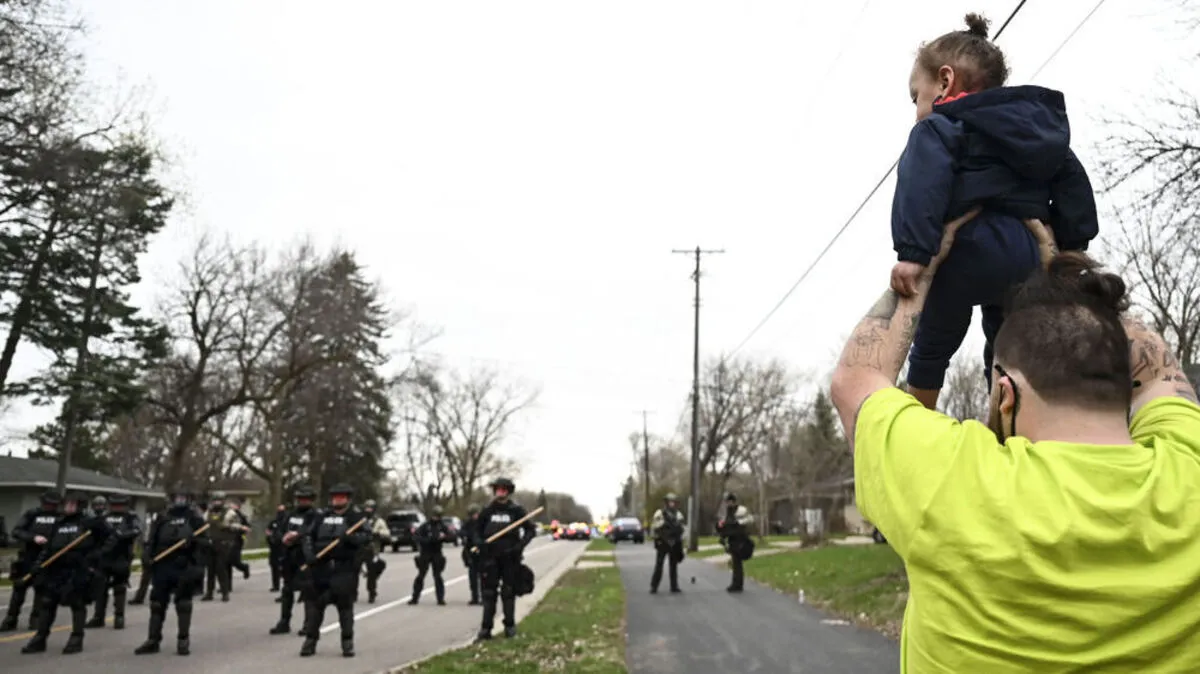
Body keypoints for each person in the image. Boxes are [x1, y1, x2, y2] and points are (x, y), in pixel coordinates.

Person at [830, 234, 1200, 670]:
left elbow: (855, 380)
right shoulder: (1188, 467)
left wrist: (922, 264)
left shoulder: (953, 481)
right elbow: (1157, 370)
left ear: (1006, 393)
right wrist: (1070, 278)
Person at [889, 12, 1099, 412]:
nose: (917, 108)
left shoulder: (939, 127)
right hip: (1027, 254)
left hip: (964, 250)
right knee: (1009, 345)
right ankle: (1007, 421)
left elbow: (922, 184)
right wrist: (1072, 246)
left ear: (945, 83)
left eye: (917, 95)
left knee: (934, 339)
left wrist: (913, 253)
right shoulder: (1036, 131)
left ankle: (918, 413)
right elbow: (1071, 179)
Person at [20, 491, 113, 655]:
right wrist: (38, 565)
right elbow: (48, 548)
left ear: (80, 505)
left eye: (72, 504)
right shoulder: (58, 523)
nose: (68, 507)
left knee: (77, 603)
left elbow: (111, 538)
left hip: (78, 568)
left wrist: (95, 555)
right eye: (67, 503)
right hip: (56, 568)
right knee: (47, 602)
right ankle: (40, 638)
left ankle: (76, 637)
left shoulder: (90, 523)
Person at [135, 486, 209, 657]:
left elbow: (206, 544)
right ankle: (153, 640)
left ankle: (183, 640)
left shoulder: (195, 518)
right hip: (163, 566)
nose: (179, 500)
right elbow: (151, 540)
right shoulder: (162, 517)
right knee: (157, 604)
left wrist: (193, 542)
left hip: (184, 566)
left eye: (183, 497)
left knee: (183, 604)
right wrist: (147, 556)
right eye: (177, 497)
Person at [299, 483, 370, 658]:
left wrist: (351, 538)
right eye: (335, 497)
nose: (337, 500)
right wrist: (309, 554)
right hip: (320, 569)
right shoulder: (320, 516)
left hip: (344, 569)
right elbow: (307, 536)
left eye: (341, 497)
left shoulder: (356, 518)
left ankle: (347, 643)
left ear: (347, 499)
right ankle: (310, 641)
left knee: (345, 609)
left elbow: (366, 538)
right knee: (315, 608)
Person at [472, 477, 536, 640]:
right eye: (498, 489)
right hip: (490, 558)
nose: (500, 491)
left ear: (508, 491)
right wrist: (480, 543)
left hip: (510, 558)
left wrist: (518, 547)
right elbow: (476, 531)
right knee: (488, 594)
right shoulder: (487, 510)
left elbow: (530, 531)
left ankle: (510, 627)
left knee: (508, 592)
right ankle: (486, 630)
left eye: (503, 489)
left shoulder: (516, 511)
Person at [1, 491, 60, 632]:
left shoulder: (60, 517)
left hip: (48, 559)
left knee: (41, 592)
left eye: (52, 504)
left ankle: (36, 619)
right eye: (46, 503)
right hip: (27, 557)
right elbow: (17, 531)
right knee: (18, 591)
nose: (49, 506)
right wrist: (33, 537)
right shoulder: (32, 514)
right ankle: (11, 619)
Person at [87, 493, 142, 630]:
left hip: (121, 557)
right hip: (104, 557)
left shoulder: (130, 517)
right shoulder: (103, 517)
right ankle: (98, 617)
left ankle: (119, 617)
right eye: (114, 504)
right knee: (101, 587)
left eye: (120, 505)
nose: (117, 507)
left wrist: (122, 535)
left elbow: (137, 530)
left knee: (119, 587)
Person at [270, 485, 319, 636]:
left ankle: (308, 624)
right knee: (287, 590)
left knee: (308, 591)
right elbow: (279, 531)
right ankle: (284, 622)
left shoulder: (316, 516)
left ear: (311, 500)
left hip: (304, 556)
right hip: (288, 556)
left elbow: (313, 532)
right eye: (300, 499)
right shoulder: (290, 515)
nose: (302, 502)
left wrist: (298, 535)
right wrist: (282, 538)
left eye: (305, 499)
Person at [408, 505, 452, 606]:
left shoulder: (442, 526)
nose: (436, 518)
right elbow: (416, 536)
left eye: (438, 516)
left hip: (437, 552)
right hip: (425, 552)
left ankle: (440, 599)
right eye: (435, 516)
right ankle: (415, 597)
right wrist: (427, 540)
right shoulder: (425, 526)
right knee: (421, 575)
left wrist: (444, 537)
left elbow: (451, 536)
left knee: (438, 576)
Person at [201, 491, 239, 602]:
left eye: (219, 500)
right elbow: (203, 525)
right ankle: (209, 592)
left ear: (223, 501)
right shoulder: (208, 512)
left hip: (223, 543)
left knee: (221, 568)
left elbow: (237, 526)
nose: (217, 502)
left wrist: (227, 526)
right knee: (210, 569)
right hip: (210, 543)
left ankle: (225, 592)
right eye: (215, 500)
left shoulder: (230, 513)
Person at [715, 492, 754, 593]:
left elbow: (746, 522)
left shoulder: (740, 511)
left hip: (739, 539)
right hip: (731, 540)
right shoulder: (726, 512)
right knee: (735, 562)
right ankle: (736, 583)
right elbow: (722, 526)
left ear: (733, 501)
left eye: (730, 501)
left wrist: (735, 525)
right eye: (727, 502)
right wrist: (720, 527)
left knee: (737, 562)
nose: (728, 503)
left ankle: (737, 584)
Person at [649, 492, 685, 594]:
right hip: (663, 542)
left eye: (673, 502)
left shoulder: (678, 514)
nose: (672, 504)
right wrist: (658, 537)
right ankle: (654, 586)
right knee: (659, 565)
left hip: (674, 543)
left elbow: (681, 529)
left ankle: (674, 586)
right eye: (670, 502)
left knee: (673, 565)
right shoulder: (659, 513)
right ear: (666, 502)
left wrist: (679, 541)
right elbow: (655, 527)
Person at [358, 499, 391, 604]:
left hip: (372, 550)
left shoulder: (378, 521)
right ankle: (351, 594)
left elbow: (386, 533)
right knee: (352, 571)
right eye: (366, 508)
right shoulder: (359, 520)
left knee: (373, 572)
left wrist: (378, 533)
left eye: (370, 508)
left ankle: (372, 593)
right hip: (358, 549)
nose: (368, 510)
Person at [128, 507, 158, 606]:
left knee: (155, 576)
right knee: (146, 576)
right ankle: (139, 597)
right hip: (147, 549)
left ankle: (156, 597)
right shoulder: (146, 522)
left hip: (155, 550)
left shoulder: (159, 524)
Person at [461, 504, 483, 605]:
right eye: (472, 515)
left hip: (482, 552)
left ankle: (483, 597)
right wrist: (464, 536)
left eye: (475, 514)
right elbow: (462, 532)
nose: (474, 516)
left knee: (483, 577)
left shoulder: (483, 523)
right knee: (473, 577)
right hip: (471, 553)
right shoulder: (468, 524)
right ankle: (474, 597)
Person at [229, 499, 252, 581]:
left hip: (237, 540)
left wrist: (244, 530)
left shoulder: (241, 516)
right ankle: (227, 586)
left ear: (237, 507)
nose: (231, 506)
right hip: (227, 540)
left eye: (233, 505)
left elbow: (248, 527)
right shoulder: (227, 515)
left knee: (235, 561)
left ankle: (244, 567)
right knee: (227, 562)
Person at [266, 503, 288, 593]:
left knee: (284, 567)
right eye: (279, 511)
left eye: (282, 511)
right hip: (274, 547)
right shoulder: (273, 522)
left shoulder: (287, 522)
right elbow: (268, 530)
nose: (280, 513)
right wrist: (270, 537)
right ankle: (275, 585)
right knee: (274, 566)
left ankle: (287, 585)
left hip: (283, 547)